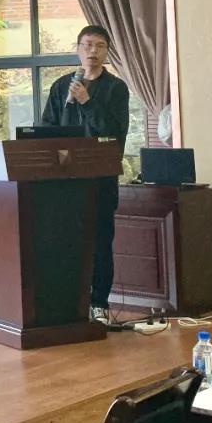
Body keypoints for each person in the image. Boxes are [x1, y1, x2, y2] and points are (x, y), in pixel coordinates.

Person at [41, 25, 130, 325]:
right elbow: (46, 130)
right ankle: (69, 303)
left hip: (100, 181)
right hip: (65, 183)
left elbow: (115, 133)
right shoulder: (60, 86)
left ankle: (98, 304)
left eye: (99, 46)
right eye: (88, 45)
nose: (93, 51)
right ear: (78, 49)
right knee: (66, 243)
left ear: (107, 52)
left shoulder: (116, 88)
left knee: (100, 244)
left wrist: (86, 101)